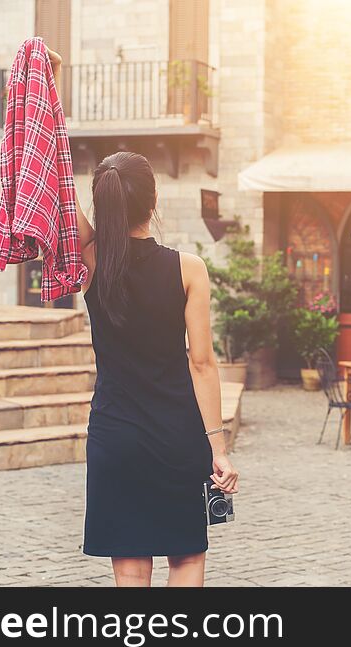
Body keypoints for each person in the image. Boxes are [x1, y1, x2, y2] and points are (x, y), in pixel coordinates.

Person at [47, 47, 239, 587]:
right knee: (186, 557)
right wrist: (217, 449)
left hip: (115, 435)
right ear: (153, 201)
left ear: (102, 205)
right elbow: (202, 365)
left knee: (130, 567)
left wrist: (49, 90)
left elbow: (58, 179)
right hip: (177, 435)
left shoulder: (89, 261)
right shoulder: (189, 269)